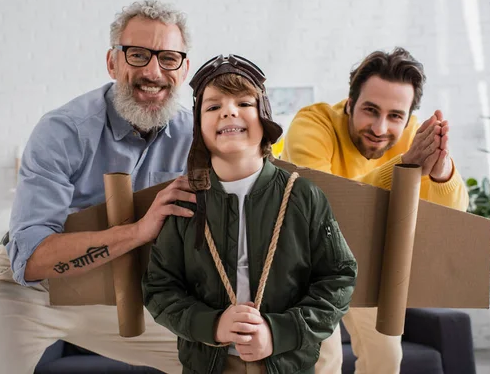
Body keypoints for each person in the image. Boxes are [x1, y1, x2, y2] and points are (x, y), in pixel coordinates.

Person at [0, 0, 195, 374]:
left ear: (184, 69)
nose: (153, 71)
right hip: (30, 293)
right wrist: (135, 232)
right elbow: (31, 257)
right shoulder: (63, 131)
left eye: (168, 58)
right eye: (137, 55)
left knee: (227, 357)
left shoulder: (197, 134)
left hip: (131, 288)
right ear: (112, 62)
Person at [142, 54, 358, 374]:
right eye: (213, 107)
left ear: (265, 117)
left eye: (244, 103)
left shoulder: (303, 197)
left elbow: (338, 279)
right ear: (199, 127)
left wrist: (277, 333)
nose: (229, 111)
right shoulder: (184, 201)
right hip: (208, 365)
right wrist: (213, 325)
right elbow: (160, 289)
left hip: (286, 363)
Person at [281, 47, 469, 374]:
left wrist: (441, 169)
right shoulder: (313, 122)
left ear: (408, 117)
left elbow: (451, 217)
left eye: (395, 116)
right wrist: (405, 168)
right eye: (370, 110)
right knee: (323, 362)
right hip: (303, 257)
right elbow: (323, 206)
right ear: (350, 103)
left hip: (362, 257)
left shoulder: (412, 136)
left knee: (386, 358)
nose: (380, 128)